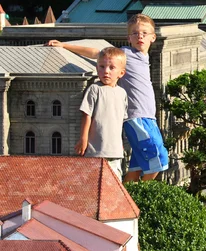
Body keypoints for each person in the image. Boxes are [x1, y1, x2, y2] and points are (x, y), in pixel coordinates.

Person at [47, 14, 169, 182]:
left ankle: (126, 195)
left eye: (144, 33)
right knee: (160, 158)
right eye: (135, 33)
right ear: (129, 38)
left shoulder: (144, 58)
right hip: (138, 118)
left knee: (138, 166)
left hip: (149, 117)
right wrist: (64, 45)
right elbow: (97, 53)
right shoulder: (125, 55)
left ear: (153, 37)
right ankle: (139, 197)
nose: (139, 36)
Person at [76, 46, 128, 180]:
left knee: (114, 184)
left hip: (115, 151)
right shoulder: (94, 89)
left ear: (121, 73)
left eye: (111, 68)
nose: (106, 71)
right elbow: (86, 115)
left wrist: (121, 142)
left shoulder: (122, 93)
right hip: (96, 150)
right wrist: (83, 139)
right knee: (94, 184)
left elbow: (120, 121)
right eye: (102, 66)